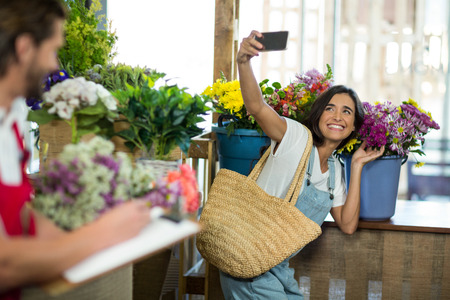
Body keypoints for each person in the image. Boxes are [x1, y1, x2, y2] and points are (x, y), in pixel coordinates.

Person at [219, 30, 385, 299]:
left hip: (280, 270)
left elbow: (347, 224)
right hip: (247, 261)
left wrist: (356, 166)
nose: (338, 116)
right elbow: (258, 107)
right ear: (319, 115)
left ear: (353, 126)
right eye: (330, 108)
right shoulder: (295, 137)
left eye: (347, 111)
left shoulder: (334, 172)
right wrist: (243, 62)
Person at [0, 0, 151, 298]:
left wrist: (76, 229)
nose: (55, 66)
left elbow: (18, 213)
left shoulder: (12, 118)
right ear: (24, 48)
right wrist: (102, 233)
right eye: (52, 50)